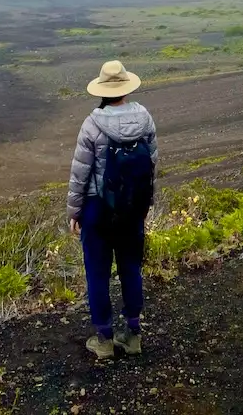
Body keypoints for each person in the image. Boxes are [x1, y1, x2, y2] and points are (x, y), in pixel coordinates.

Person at [66, 60, 158, 359]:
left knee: (97, 273)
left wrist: (74, 212)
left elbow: (80, 173)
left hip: (98, 209)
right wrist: (146, 204)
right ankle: (133, 336)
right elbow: (151, 166)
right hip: (133, 207)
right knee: (131, 268)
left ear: (102, 90)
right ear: (126, 87)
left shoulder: (92, 123)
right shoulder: (145, 118)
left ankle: (104, 340)